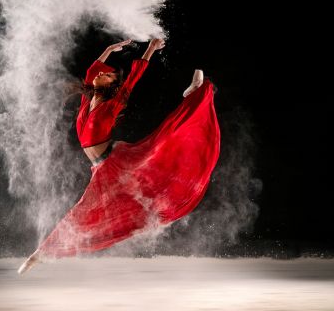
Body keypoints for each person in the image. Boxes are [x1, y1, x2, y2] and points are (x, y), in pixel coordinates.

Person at [18, 38, 220, 274]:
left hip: (117, 160)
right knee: (84, 212)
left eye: (106, 74)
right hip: (102, 168)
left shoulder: (113, 103)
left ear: (111, 84)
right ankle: (42, 254)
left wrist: (151, 48)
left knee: (163, 145)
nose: (101, 73)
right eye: (102, 72)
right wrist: (108, 50)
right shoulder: (87, 100)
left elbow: (133, 77)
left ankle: (196, 94)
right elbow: (92, 70)